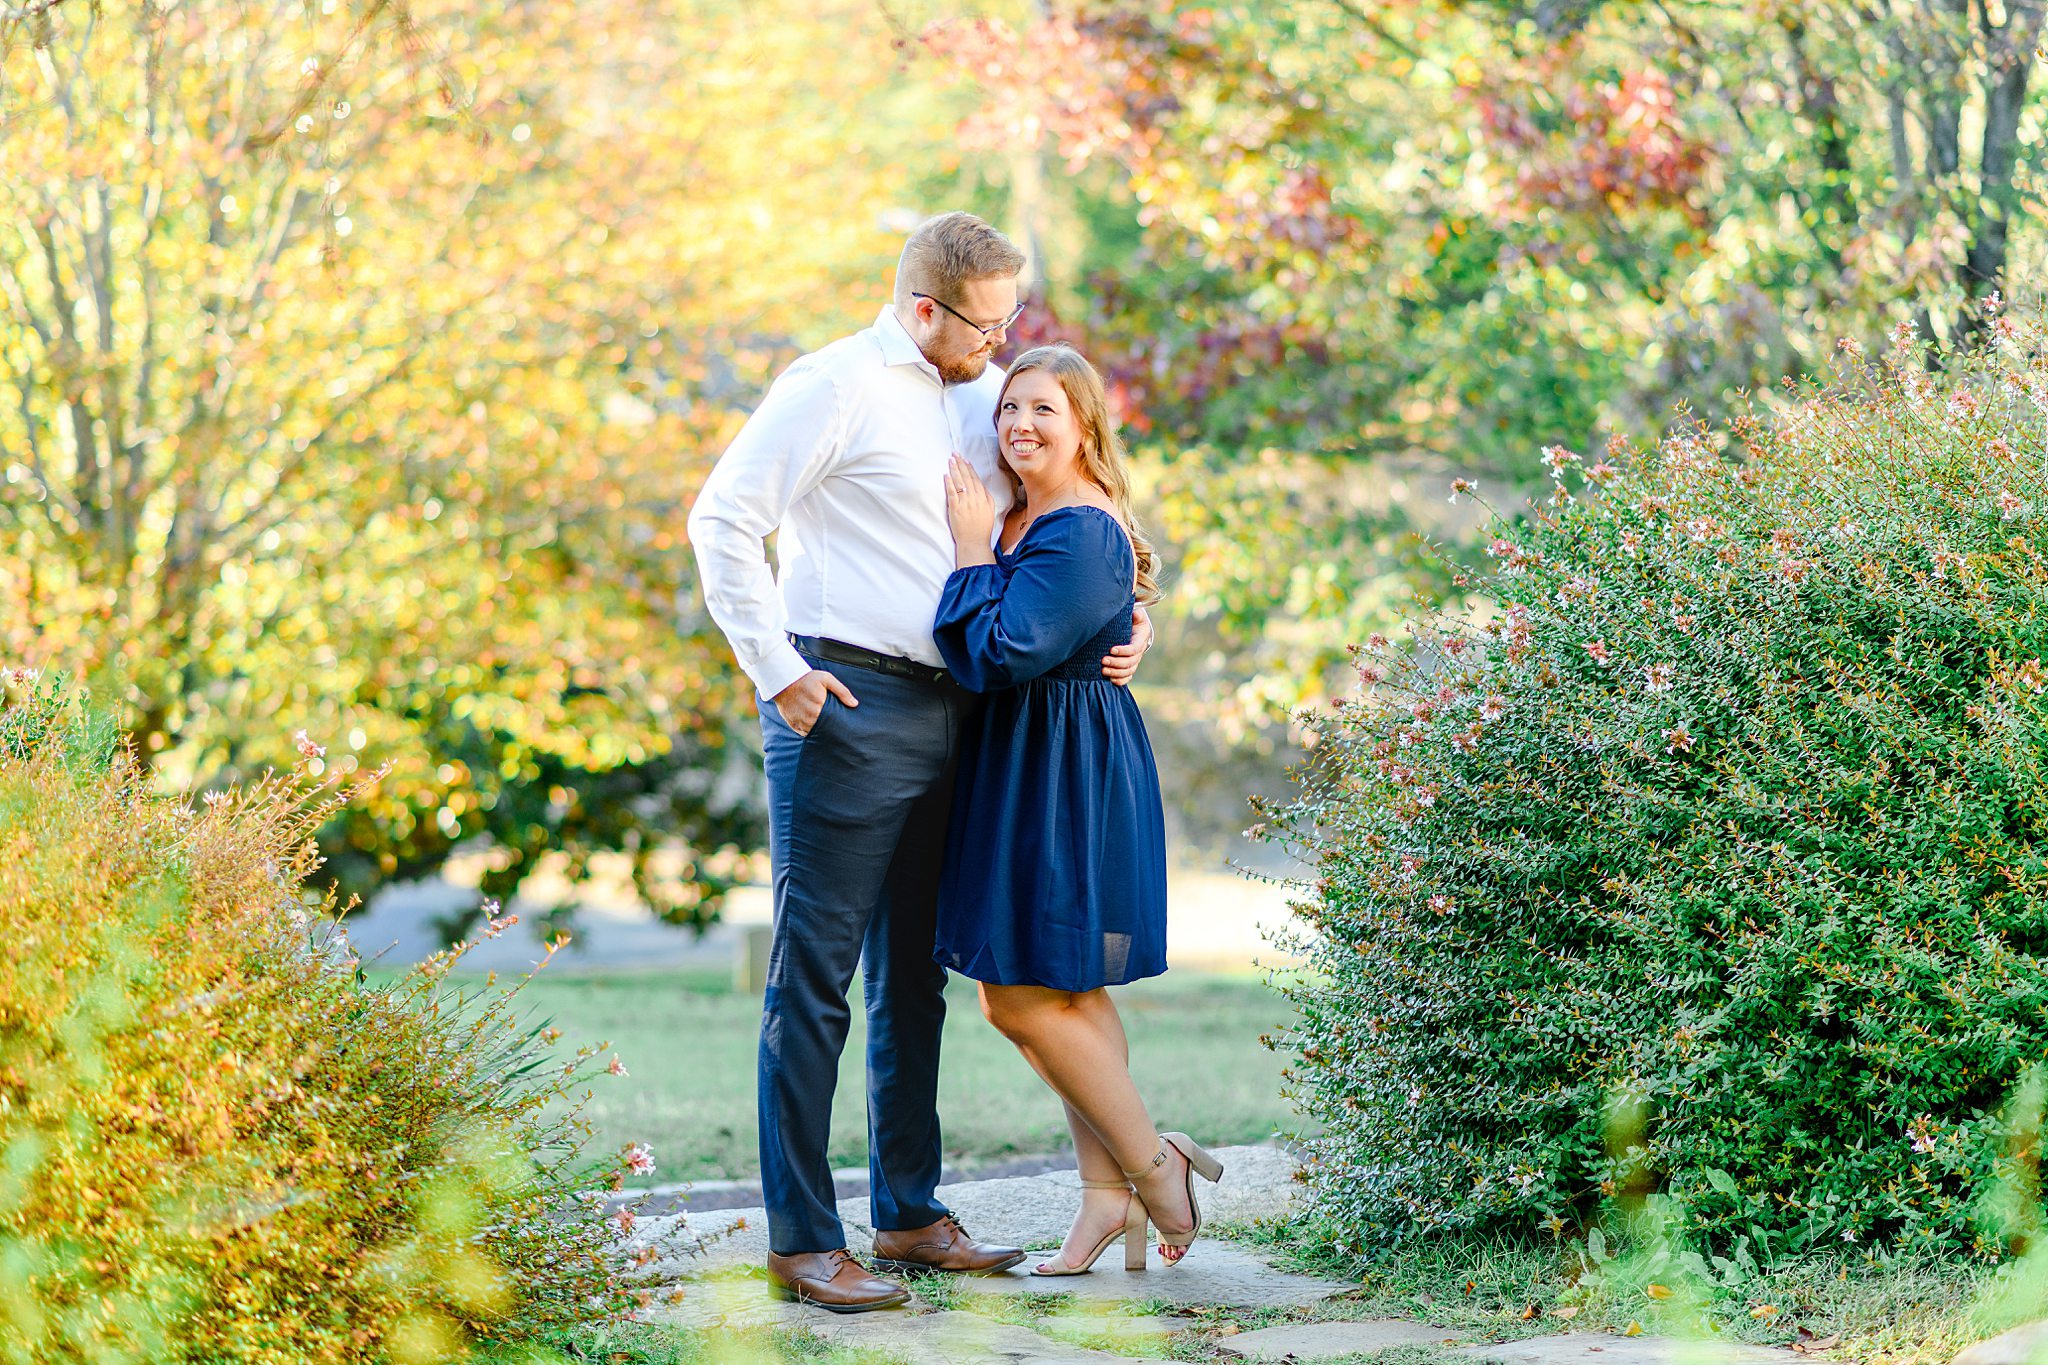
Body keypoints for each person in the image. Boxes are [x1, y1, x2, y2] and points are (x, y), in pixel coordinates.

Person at [687, 213, 1152, 1312]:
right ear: (925, 308)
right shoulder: (831, 384)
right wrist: (774, 668)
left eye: (1011, 323)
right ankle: (804, 1240)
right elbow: (722, 519)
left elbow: (1070, 511)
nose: (1002, 345)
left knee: (916, 980)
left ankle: (907, 1212)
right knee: (815, 979)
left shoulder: (970, 397)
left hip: (962, 711)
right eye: (985, 324)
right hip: (846, 699)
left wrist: (1132, 620)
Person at [934, 344, 1221, 1277]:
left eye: (1042, 410)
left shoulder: (1076, 527)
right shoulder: (1028, 514)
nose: (1018, 424)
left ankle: (1155, 1165)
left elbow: (1001, 651)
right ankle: (1106, 1200)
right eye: (1009, 408)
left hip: (1064, 772)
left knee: (1020, 991)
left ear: (1085, 424)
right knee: (1063, 987)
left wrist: (972, 550)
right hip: (1025, 761)